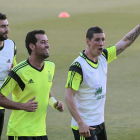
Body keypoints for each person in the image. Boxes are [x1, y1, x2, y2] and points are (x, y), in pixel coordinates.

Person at [65, 24, 140, 140]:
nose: (101, 43)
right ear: (87, 42)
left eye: (103, 39)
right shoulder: (78, 66)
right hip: (85, 126)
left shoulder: (103, 57)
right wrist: (80, 123)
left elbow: (125, 42)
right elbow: (68, 97)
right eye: (97, 40)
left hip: (99, 122)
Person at [0, 30, 64, 140]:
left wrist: (54, 103)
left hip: (41, 132)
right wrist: (23, 106)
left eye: (47, 42)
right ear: (32, 46)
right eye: (43, 42)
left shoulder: (50, 66)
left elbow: (45, 87)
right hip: (20, 133)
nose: (47, 45)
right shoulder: (18, 72)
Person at [0, 12, 17, 140]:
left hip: (1, 104)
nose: (7, 29)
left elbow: (14, 70)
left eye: (7, 25)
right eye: (3, 26)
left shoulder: (11, 45)